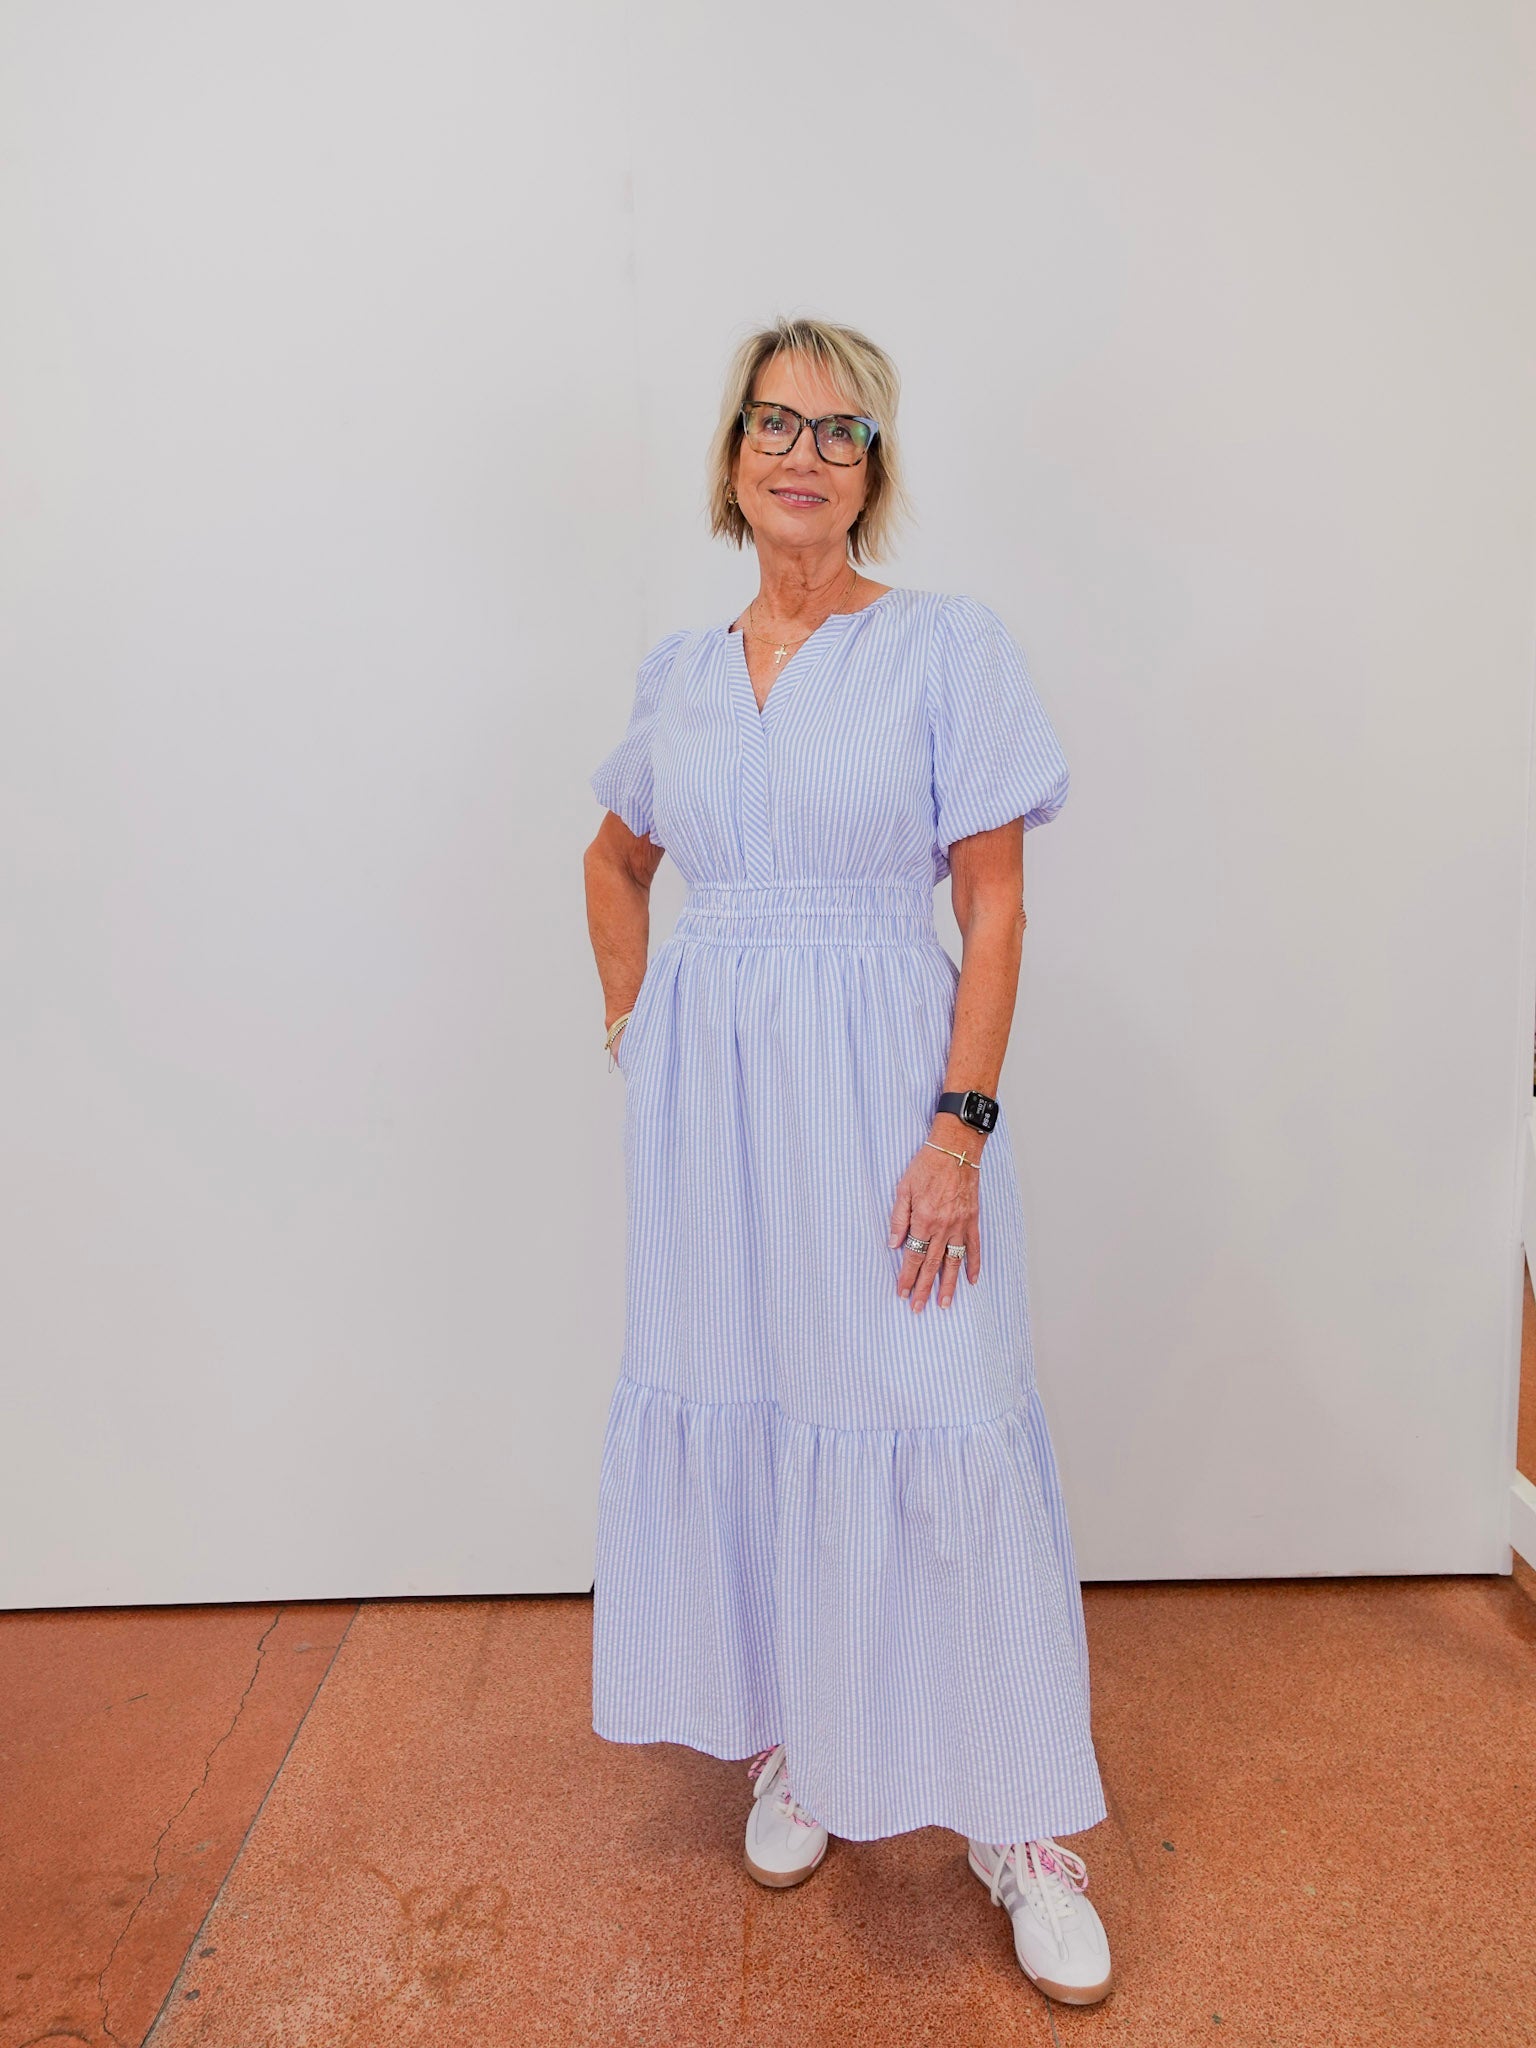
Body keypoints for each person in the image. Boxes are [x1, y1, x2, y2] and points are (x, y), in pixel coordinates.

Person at [581, 316, 1113, 2007]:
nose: (802, 452)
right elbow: (613, 860)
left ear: (876, 468)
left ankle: (1022, 1824)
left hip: (889, 1089)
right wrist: (637, 1030)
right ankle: (803, 1740)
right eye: (773, 422)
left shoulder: (948, 645)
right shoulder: (679, 667)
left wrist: (958, 1128)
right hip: (716, 1121)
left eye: (840, 429)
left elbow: (997, 901)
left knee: (935, 1411)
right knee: (758, 1398)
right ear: (731, 457)